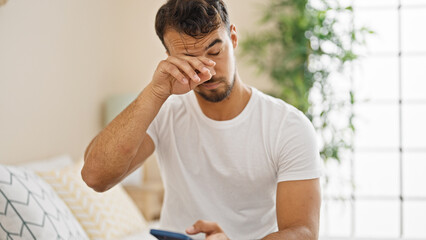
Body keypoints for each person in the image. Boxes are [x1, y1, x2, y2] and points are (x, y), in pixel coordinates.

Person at [82, 0, 323, 239]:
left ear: (233, 38)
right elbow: (95, 177)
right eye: (189, 60)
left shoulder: (287, 126)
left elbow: (303, 232)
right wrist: (156, 91)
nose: (207, 71)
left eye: (215, 52)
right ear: (170, 57)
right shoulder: (164, 111)